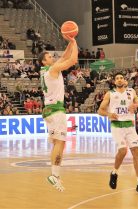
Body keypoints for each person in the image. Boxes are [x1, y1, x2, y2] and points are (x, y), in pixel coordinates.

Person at [39, 35, 78, 192]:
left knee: (59, 143)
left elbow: (63, 57)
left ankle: (56, 174)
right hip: (55, 110)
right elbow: (72, 60)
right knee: (60, 142)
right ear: (43, 61)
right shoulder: (53, 70)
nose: (52, 56)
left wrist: (69, 42)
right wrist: (75, 43)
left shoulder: (48, 70)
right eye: (49, 56)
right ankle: (54, 175)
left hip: (51, 110)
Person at [98, 73, 138, 195]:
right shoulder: (110, 94)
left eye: (121, 78)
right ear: (114, 82)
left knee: (136, 152)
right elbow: (100, 110)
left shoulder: (131, 92)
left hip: (129, 126)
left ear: (124, 80)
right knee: (123, 151)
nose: (119, 80)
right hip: (117, 126)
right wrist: (109, 114)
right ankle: (114, 172)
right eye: (117, 78)